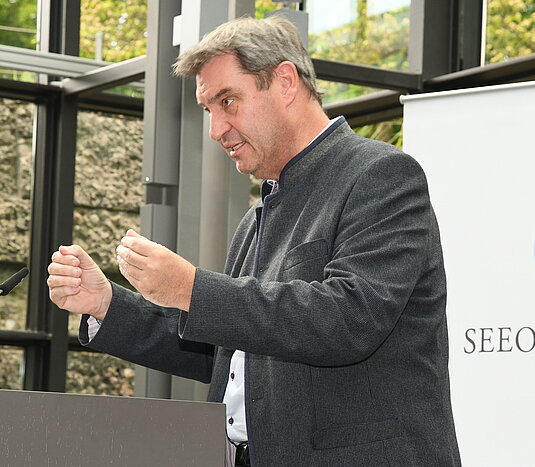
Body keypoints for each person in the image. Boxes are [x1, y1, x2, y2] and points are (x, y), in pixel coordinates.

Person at [47, 16, 461, 467]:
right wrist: (106, 303)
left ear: (285, 82)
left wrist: (189, 287)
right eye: (209, 109)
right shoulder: (257, 217)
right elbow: (230, 355)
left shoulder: (380, 175)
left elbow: (349, 319)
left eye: (228, 101)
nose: (216, 129)